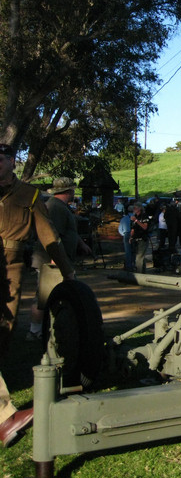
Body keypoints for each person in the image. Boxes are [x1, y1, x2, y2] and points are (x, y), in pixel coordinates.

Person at [0, 144, 75, 448]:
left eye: (1, 159)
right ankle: (4, 417)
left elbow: (48, 236)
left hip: (10, 268)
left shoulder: (29, 195)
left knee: (3, 335)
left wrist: (67, 271)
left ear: (11, 162)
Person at [27, 177, 93, 340]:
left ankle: (57, 328)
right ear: (68, 191)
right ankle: (35, 331)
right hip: (51, 261)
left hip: (60, 261)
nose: (73, 192)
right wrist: (55, 262)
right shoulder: (54, 207)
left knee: (63, 294)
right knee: (44, 295)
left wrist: (80, 244)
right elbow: (51, 236)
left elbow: (68, 231)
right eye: (72, 189)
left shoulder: (61, 207)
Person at [130, 203, 149, 273]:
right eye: (133, 208)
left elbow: (145, 227)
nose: (134, 209)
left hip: (142, 239)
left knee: (139, 258)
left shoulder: (144, 216)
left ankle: (139, 274)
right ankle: (143, 273)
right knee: (140, 258)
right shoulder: (134, 216)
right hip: (135, 239)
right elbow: (133, 229)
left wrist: (136, 221)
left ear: (139, 209)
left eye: (135, 208)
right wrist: (131, 237)